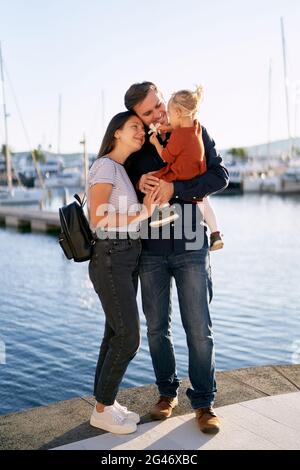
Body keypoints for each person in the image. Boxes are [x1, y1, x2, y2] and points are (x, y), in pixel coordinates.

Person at [124, 82, 229, 433]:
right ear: (136, 117)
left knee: (199, 329)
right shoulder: (133, 146)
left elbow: (220, 176)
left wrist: (176, 189)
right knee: (156, 330)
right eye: (148, 112)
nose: (157, 115)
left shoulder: (192, 130)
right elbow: (115, 190)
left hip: (191, 247)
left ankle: (204, 403)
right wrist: (136, 183)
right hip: (150, 249)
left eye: (159, 107)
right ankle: (166, 394)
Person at [88, 111, 159, 434]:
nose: (141, 133)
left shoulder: (120, 170)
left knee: (113, 334)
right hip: (111, 257)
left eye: (143, 130)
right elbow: (98, 220)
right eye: (134, 127)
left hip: (126, 257)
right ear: (116, 132)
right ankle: (101, 411)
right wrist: (143, 212)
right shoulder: (105, 166)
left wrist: (145, 207)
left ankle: (106, 403)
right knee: (129, 337)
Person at [149, 85, 223, 251]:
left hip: (182, 173)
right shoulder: (196, 127)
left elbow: (166, 156)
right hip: (199, 171)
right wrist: (168, 127)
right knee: (204, 202)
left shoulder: (177, 136)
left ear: (179, 113)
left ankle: (165, 210)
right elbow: (181, 128)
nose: (167, 116)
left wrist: (156, 143)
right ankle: (216, 233)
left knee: (159, 179)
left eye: (169, 112)